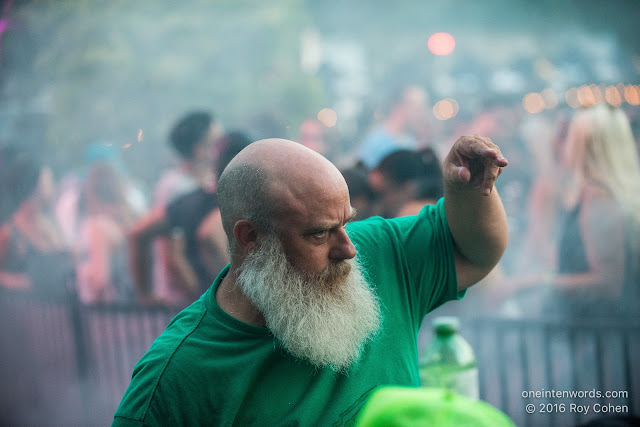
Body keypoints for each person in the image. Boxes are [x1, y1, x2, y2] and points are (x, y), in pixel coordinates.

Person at [114, 135, 509, 425]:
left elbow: (474, 251)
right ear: (250, 238)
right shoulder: (177, 375)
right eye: (319, 233)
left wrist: (469, 190)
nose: (348, 249)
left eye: (346, 223)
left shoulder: (378, 251)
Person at [500, 105, 640, 317]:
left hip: (602, 333)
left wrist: (535, 283)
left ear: (584, 144)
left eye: (568, 136)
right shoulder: (607, 194)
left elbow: (607, 283)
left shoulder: (600, 198)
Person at [129, 131, 251, 306]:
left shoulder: (189, 201)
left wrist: (144, 294)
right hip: (231, 312)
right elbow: (209, 234)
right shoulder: (243, 202)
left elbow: (138, 232)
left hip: (201, 308)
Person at [145, 111, 220, 304]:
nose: (221, 147)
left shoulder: (209, 182)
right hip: (183, 297)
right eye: (216, 142)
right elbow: (171, 252)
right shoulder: (174, 186)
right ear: (199, 149)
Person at [0, 146, 74, 297]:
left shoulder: (52, 224)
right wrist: (17, 282)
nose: (53, 185)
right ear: (34, 186)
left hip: (62, 311)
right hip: (32, 315)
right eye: (48, 180)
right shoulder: (11, 233)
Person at [75, 161, 138, 304]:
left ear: (92, 191)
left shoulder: (99, 226)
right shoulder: (129, 219)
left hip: (106, 313)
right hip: (131, 306)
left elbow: (100, 280)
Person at [357, 85, 428, 169]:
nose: (420, 114)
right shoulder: (375, 141)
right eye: (417, 109)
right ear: (400, 107)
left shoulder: (411, 141)